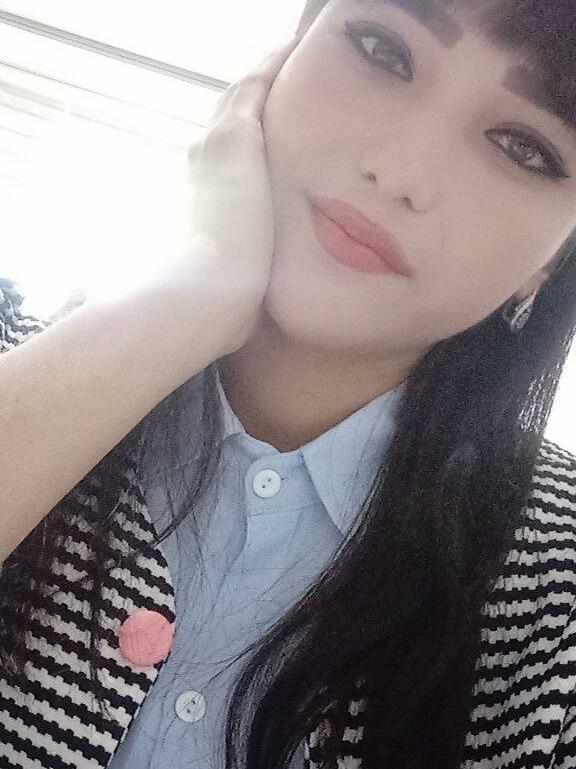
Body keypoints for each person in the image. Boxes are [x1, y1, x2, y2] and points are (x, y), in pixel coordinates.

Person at [1, 0, 576, 767]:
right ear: (283, 56)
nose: (398, 170)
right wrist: (186, 299)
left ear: (554, 256)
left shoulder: (558, 594)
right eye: (382, 48)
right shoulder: (25, 362)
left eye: (523, 146)